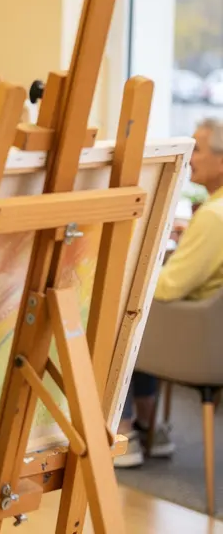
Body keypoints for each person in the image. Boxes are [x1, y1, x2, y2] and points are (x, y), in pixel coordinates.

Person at [115, 117, 223, 468]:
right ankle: (150, 427)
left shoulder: (214, 217)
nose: (190, 158)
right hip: (207, 338)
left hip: (193, 345)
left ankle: (124, 431)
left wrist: (132, 272)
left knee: (119, 310)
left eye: (198, 149)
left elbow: (167, 287)